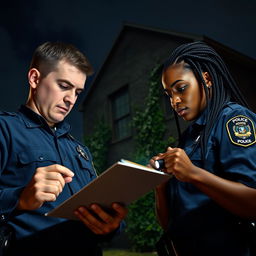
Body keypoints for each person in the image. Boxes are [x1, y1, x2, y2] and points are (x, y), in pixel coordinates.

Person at [0, 41, 127, 256]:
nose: (71, 100)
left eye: (78, 92)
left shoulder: (80, 150)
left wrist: (112, 225)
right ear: (34, 78)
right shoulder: (5, 129)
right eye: (64, 86)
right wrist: (20, 198)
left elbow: (96, 212)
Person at [150, 41, 256, 256]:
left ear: (206, 79)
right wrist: (159, 185)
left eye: (181, 88)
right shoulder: (189, 137)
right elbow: (169, 223)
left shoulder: (234, 120)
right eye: (169, 95)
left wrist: (193, 174)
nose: (175, 101)